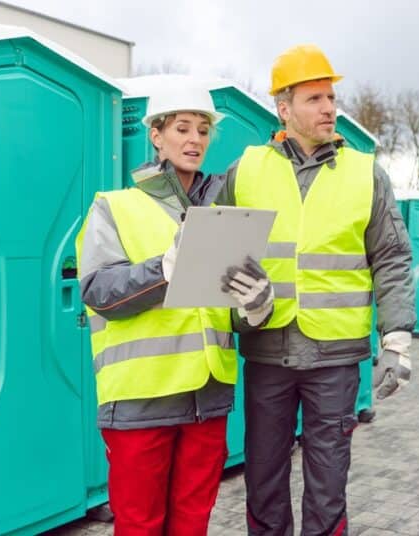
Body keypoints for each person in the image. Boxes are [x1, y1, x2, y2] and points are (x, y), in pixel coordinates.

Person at [215, 44, 417, 536]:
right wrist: (241, 310)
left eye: (331, 97)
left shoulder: (365, 173)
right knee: (263, 474)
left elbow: (391, 256)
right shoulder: (247, 170)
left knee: (328, 478)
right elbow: (219, 257)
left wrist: (397, 340)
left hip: (335, 357)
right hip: (268, 350)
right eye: (314, 98)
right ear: (284, 109)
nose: (329, 108)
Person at [77, 86, 268, 535]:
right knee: (141, 526)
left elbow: (218, 308)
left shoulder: (224, 212)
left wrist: (254, 306)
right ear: (156, 136)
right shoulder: (115, 206)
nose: (194, 139)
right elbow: (97, 290)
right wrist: (162, 270)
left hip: (208, 397)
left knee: (192, 525)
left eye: (203, 131)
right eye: (182, 128)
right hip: (141, 400)